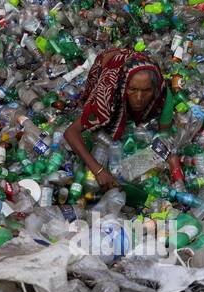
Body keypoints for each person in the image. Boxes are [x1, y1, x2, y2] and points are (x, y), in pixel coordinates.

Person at [64, 47, 180, 191]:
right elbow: (70, 132)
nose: (139, 98)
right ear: (124, 87)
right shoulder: (108, 92)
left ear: (154, 89)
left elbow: (163, 136)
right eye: (132, 89)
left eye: (146, 91)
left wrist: (170, 160)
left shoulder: (162, 95)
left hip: (135, 64)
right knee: (101, 119)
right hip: (109, 62)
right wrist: (98, 170)